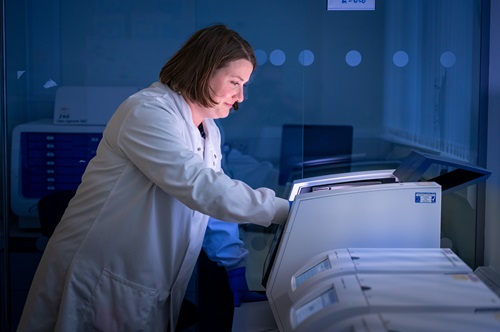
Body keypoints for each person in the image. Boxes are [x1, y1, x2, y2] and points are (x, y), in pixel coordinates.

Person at [17, 24, 289, 332]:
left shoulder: (207, 129)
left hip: (145, 285)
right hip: (102, 279)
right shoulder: (147, 112)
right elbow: (201, 187)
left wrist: (235, 263)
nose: (241, 96)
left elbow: (209, 206)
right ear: (203, 70)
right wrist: (287, 213)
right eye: (235, 82)